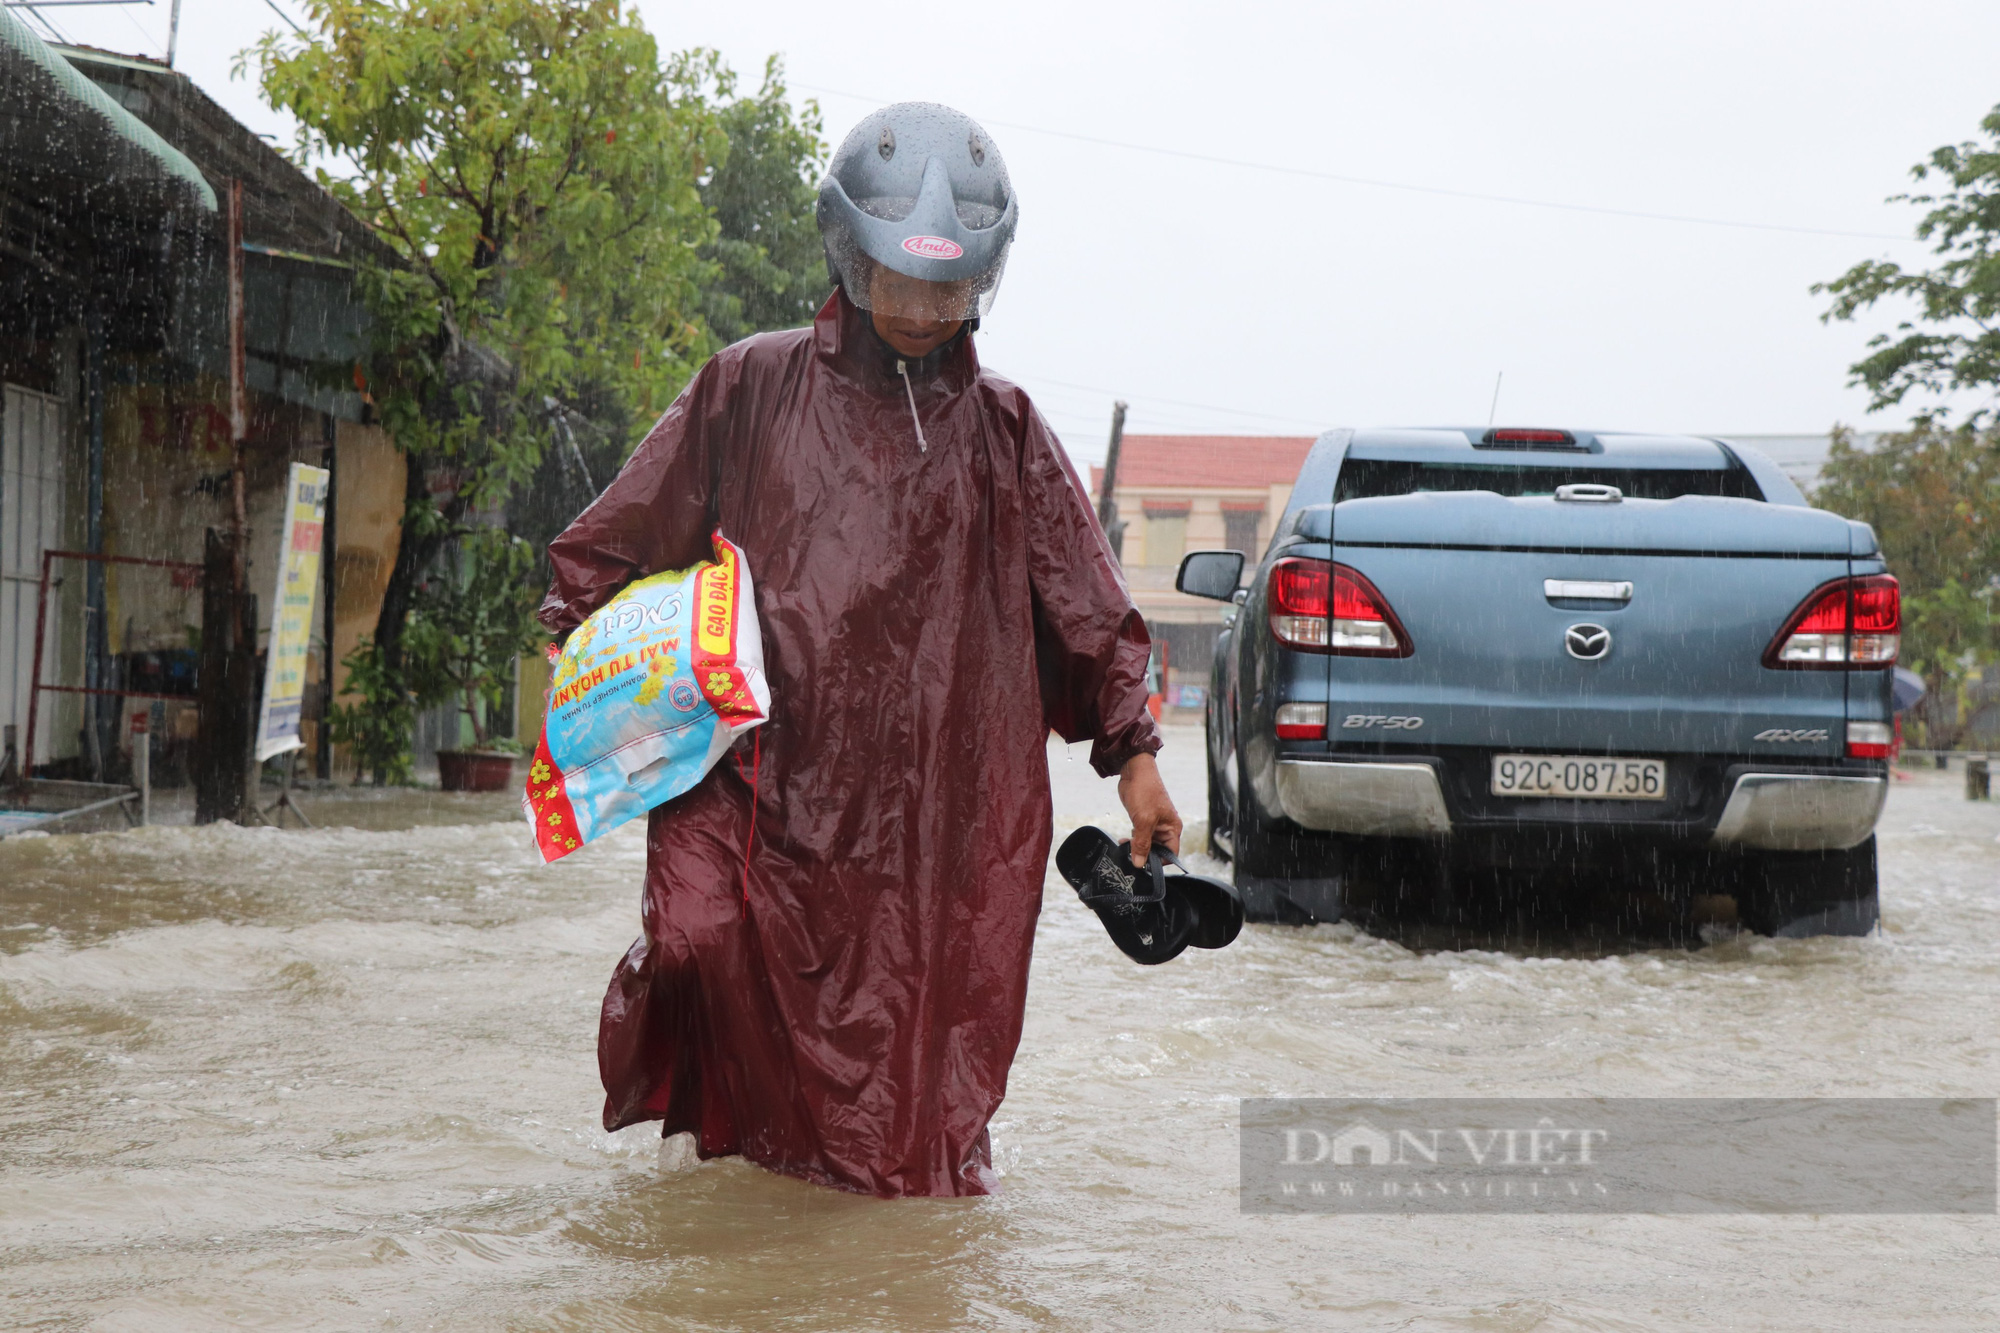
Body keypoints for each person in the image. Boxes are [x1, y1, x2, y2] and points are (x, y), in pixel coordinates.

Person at [539, 102, 1180, 1198]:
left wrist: (1135, 760)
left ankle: (873, 1263)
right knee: (697, 951)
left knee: (910, 1078)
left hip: (937, 819)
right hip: (760, 783)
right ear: (849, 255)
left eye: (951, 289)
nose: (927, 310)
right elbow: (611, 543)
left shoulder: (1007, 430)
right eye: (905, 283)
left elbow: (1085, 608)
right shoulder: (750, 385)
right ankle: (745, 1211)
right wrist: (593, 684)